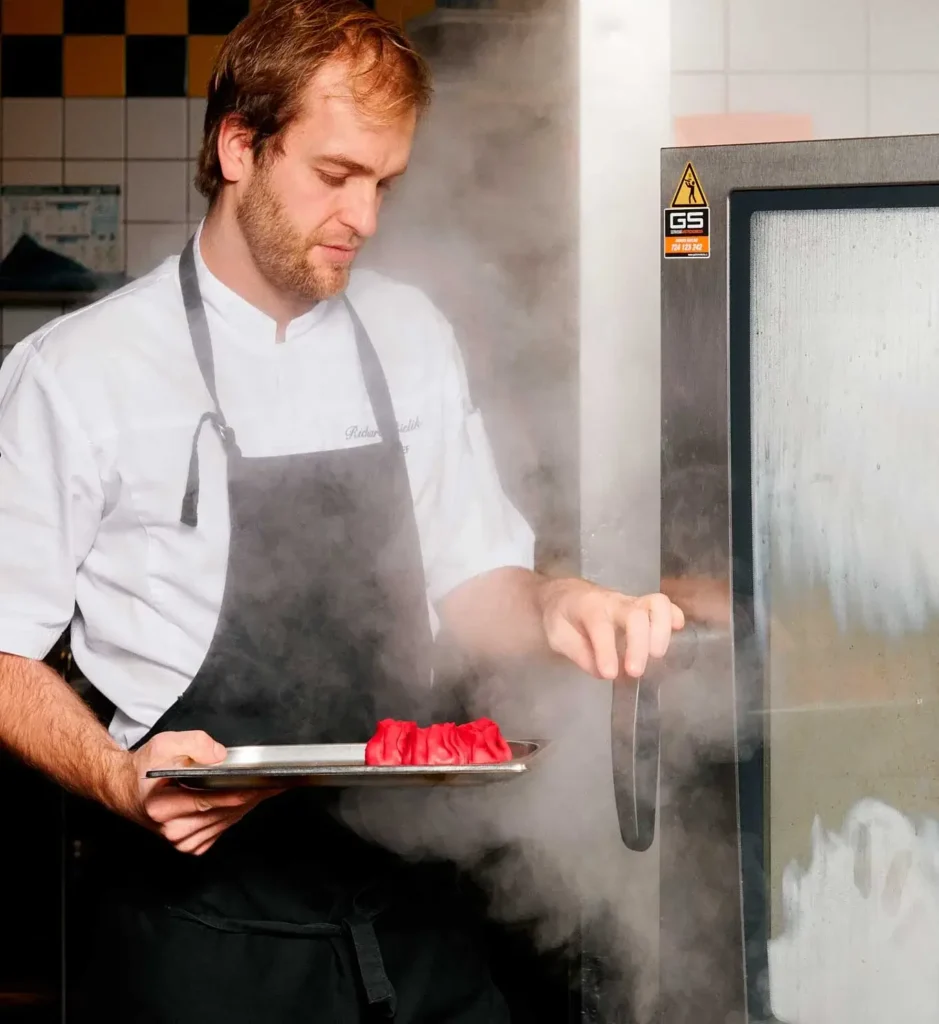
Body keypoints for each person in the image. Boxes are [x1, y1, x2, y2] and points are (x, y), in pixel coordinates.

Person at [0, 1, 683, 1020]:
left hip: (414, 927)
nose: (363, 218)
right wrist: (113, 775)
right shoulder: (78, 372)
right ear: (239, 146)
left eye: (384, 184)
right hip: (201, 942)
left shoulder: (409, 334)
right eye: (335, 176)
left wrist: (557, 606)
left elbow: (472, 581)